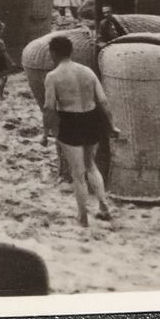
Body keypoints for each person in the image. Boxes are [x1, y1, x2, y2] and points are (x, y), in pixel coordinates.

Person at [45, 35, 115, 227]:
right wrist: (111, 125)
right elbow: (103, 102)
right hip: (91, 119)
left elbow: (49, 108)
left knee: (77, 173)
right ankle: (103, 205)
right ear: (71, 51)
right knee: (91, 165)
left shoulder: (53, 76)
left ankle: (82, 216)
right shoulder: (87, 72)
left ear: (53, 53)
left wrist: (45, 133)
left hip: (71, 122)